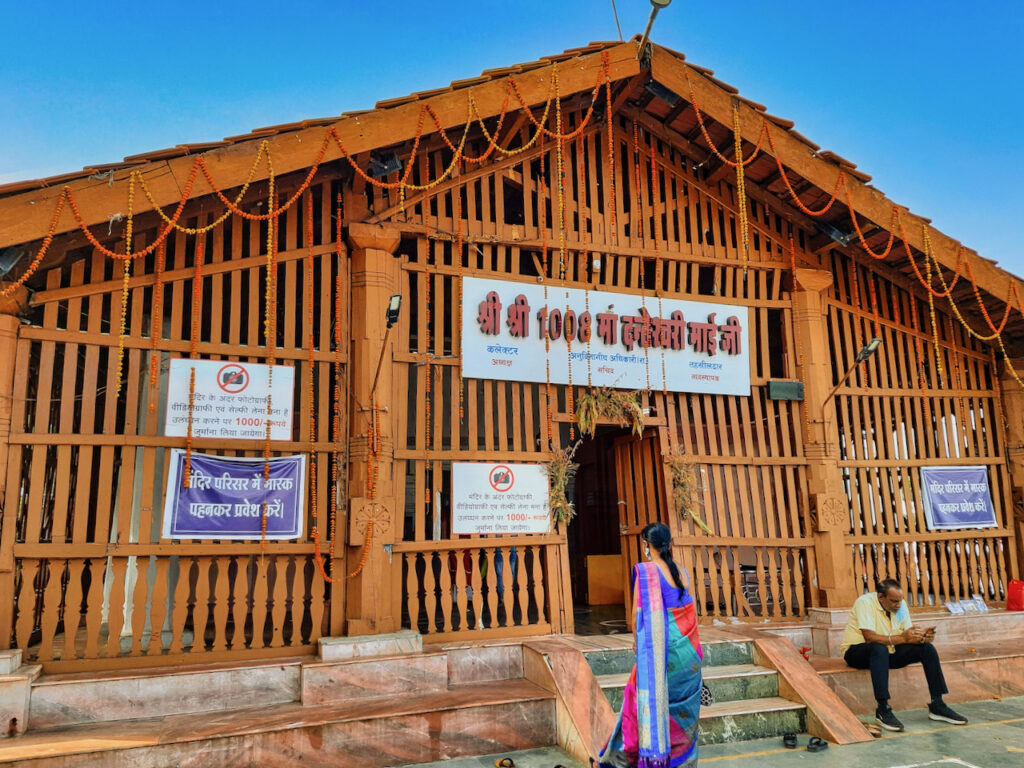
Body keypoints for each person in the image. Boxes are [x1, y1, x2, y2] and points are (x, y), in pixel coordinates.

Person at [597, 523, 703, 768]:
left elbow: (638, 615)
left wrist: (638, 643)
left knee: (638, 701)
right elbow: (685, 612)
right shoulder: (683, 571)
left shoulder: (648, 572)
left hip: (661, 654)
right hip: (689, 656)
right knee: (679, 709)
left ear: (646, 544)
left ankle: (626, 758)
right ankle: (681, 760)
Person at [841, 578, 968, 732]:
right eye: (894, 601)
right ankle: (883, 709)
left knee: (927, 649)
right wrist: (903, 638)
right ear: (881, 597)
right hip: (857, 652)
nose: (898, 605)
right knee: (878, 648)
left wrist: (921, 637)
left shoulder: (900, 606)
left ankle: (938, 704)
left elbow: (907, 635)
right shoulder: (865, 602)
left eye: (900, 600)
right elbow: (869, 637)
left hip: (888, 653)